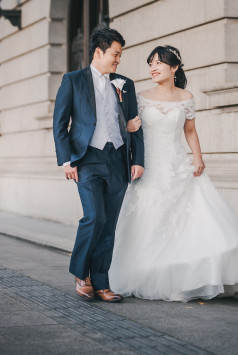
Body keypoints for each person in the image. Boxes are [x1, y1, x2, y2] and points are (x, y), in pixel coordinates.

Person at [109, 45, 238, 301]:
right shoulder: (140, 95)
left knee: (191, 221)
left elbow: (190, 131)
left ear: (174, 67)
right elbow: (125, 128)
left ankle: (190, 277)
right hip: (149, 168)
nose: (153, 68)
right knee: (150, 220)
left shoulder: (186, 97)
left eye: (159, 63)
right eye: (150, 64)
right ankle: (149, 273)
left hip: (178, 164)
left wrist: (198, 157)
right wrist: (127, 126)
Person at [53, 28, 144, 303]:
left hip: (117, 160)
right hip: (87, 159)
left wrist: (137, 160)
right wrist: (67, 159)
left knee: (109, 224)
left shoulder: (124, 84)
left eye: (120, 55)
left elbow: (135, 125)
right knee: (95, 217)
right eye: (115, 54)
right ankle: (82, 275)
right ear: (98, 52)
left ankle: (102, 282)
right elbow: (60, 123)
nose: (118, 60)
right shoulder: (73, 80)